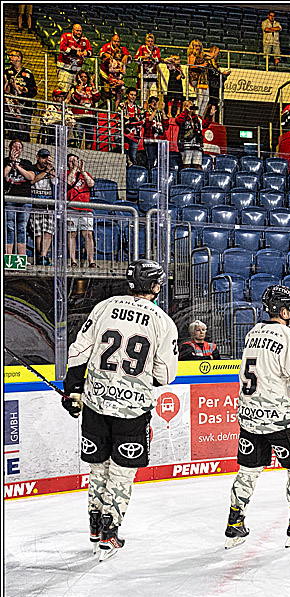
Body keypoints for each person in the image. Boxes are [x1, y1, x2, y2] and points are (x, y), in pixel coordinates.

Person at [60, 260, 178, 559]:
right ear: (154, 286)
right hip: (132, 408)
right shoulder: (162, 321)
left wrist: (74, 388)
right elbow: (165, 375)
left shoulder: (104, 307)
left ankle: (95, 526)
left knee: (98, 467)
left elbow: (79, 350)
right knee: (122, 472)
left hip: (95, 403)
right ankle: (110, 534)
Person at [223, 285, 290, 549]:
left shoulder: (253, 333)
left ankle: (234, 522)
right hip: (281, 419)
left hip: (250, 416)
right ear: (285, 310)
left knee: (249, 469)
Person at [66, 153, 97, 268]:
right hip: (71, 208)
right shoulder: (66, 174)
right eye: (71, 161)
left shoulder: (85, 175)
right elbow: (68, 182)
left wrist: (82, 171)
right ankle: (73, 260)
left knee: (88, 234)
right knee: (72, 234)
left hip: (85, 209)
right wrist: (73, 169)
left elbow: (91, 184)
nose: (73, 162)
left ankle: (91, 261)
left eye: (75, 160)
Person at [26, 148, 55, 265]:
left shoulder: (51, 171)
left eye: (46, 158)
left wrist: (51, 170)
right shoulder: (32, 169)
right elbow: (32, 180)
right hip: (35, 205)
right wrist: (46, 172)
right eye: (43, 158)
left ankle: (43, 256)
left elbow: (55, 182)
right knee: (38, 233)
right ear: (37, 157)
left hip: (48, 206)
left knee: (48, 232)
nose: (44, 160)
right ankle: (41, 256)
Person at [4, 139, 33, 256]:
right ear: (10, 148)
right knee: (9, 227)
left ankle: (22, 256)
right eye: (15, 147)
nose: (17, 149)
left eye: (19, 147)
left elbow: (30, 177)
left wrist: (18, 166)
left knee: (22, 228)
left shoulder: (26, 162)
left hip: (24, 199)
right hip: (10, 199)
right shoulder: (4, 161)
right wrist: (11, 163)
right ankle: (9, 256)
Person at [4, 50, 37, 142]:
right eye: (9, 55)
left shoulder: (28, 73)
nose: (10, 57)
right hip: (10, 105)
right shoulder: (6, 72)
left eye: (12, 55)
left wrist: (21, 89)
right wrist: (7, 83)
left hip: (25, 105)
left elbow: (34, 91)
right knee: (12, 128)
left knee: (25, 128)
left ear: (19, 57)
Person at [56, 24, 92, 93]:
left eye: (80, 31)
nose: (79, 33)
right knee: (63, 91)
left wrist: (86, 53)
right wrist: (75, 52)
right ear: (73, 30)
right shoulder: (66, 36)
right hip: (65, 69)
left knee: (76, 93)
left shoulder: (85, 40)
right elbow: (63, 48)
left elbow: (90, 51)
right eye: (77, 31)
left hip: (77, 71)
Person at [68, 72, 98, 149]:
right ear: (78, 78)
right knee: (79, 135)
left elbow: (97, 98)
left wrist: (93, 84)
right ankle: (78, 151)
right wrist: (81, 85)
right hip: (78, 117)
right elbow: (75, 98)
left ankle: (88, 151)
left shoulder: (91, 88)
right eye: (81, 76)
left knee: (89, 136)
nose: (83, 78)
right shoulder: (74, 88)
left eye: (85, 77)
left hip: (90, 116)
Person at [175, 101, 208, 170]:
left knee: (198, 165)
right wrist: (186, 111)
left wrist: (210, 115)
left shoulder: (196, 118)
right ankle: (185, 179)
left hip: (197, 145)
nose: (191, 108)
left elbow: (205, 124)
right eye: (189, 106)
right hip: (186, 145)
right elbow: (178, 121)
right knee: (186, 165)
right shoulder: (182, 116)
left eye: (192, 106)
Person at [120, 87, 144, 167]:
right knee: (117, 139)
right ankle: (126, 158)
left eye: (134, 95)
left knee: (133, 157)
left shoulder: (139, 108)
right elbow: (120, 118)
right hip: (124, 132)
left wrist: (129, 120)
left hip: (135, 135)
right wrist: (133, 120)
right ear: (127, 95)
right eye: (131, 95)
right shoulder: (122, 106)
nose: (133, 97)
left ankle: (132, 171)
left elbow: (142, 120)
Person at [134, 34, 162, 102]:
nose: (150, 43)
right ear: (146, 41)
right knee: (143, 95)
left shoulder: (156, 49)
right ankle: (144, 109)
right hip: (143, 74)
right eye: (148, 41)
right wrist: (144, 57)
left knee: (154, 95)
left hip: (153, 75)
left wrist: (152, 58)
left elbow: (159, 60)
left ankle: (153, 109)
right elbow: (136, 59)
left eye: (151, 41)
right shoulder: (142, 48)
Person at [204, 47, 229, 119]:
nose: (218, 54)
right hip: (211, 83)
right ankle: (202, 116)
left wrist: (223, 74)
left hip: (216, 84)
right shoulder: (208, 61)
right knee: (209, 102)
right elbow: (211, 72)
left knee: (214, 102)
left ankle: (213, 119)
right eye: (217, 52)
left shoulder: (215, 63)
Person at [142, 95, 165, 169]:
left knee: (160, 160)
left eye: (156, 103)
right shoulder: (146, 112)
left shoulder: (159, 114)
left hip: (159, 140)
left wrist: (163, 110)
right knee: (150, 160)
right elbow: (148, 122)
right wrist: (155, 110)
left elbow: (166, 124)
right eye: (153, 103)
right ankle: (150, 177)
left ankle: (156, 176)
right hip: (149, 141)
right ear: (149, 104)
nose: (155, 104)